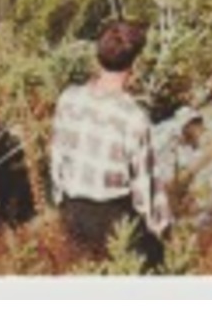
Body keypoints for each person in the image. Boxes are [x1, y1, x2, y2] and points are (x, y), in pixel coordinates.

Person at [49, 20, 170, 268]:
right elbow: (145, 187)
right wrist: (161, 229)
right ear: (134, 64)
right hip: (112, 216)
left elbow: (57, 160)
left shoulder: (68, 98)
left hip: (72, 211)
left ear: (97, 57)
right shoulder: (133, 116)